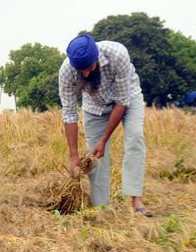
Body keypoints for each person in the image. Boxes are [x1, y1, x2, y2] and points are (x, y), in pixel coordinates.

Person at [58, 34, 153, 217]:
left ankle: (136, 199)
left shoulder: (117, 54)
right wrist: (74, 156)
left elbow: (122, 102)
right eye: (81, 71)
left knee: (135, 138)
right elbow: (69, 113)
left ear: (96, 59)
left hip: (128, 98)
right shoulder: (66, 72)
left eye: (89, 68)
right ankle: (101, 207)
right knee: (95, 156)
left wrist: (104, 140)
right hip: (94, 105)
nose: (86, 74)